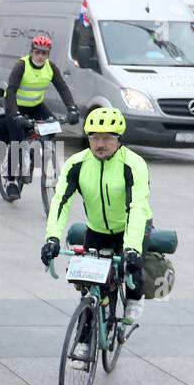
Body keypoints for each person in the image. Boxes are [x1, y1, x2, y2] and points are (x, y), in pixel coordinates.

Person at [42, 107, 151, 346]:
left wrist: (132, 248)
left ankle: (134, 297)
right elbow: (60, 201)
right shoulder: (77, 164)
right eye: (95, 137)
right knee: (91, 288)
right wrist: (52, 238)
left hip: (130, 226)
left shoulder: (134, 165)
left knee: (131, 266)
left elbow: (137, 207)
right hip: (97, 229)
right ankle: (83, 343)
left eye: (107, 138)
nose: (100, 143)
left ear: (118, 139)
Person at [4, 33, 79, 140]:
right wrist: (16, 114)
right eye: (37, 52)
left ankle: (36, 151)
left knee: (52, 128)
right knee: (17, 142)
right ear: (31, 52)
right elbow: (11, 91)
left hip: (36, 106)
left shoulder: (50, 67)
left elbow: (62, 88)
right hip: (15, 107)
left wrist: (72, 108)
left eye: (44, 53)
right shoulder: (21, 65)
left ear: (48, 54)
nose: (40, 56)